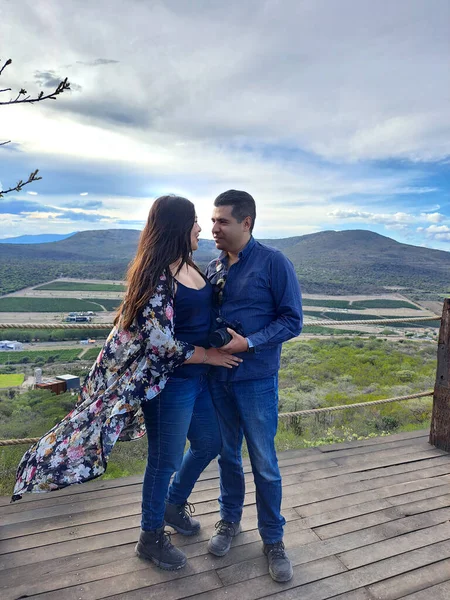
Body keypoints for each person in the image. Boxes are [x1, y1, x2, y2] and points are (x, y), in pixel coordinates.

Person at [12, 195, 242, 571]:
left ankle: (172, 504)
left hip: (197, 379)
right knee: (164, 461)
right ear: (177, 228)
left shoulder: (189, 265)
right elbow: (160, 343)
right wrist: (210, 354)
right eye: (196, 221)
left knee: (210, 442)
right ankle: (149, 538)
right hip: (168, 386)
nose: (201, 228)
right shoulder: (154, 277)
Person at [205, 190, 302, 583]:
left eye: (222, 221)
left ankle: (273, 539)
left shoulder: (274, 263)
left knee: (264, 461)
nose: (214, 228)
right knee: (228, 455)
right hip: (218, 378)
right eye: (212, 221)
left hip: (256, 380)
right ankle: (229, 521)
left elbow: (292, 320)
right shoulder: (213, 267)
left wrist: (249, 342)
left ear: (246, 223)